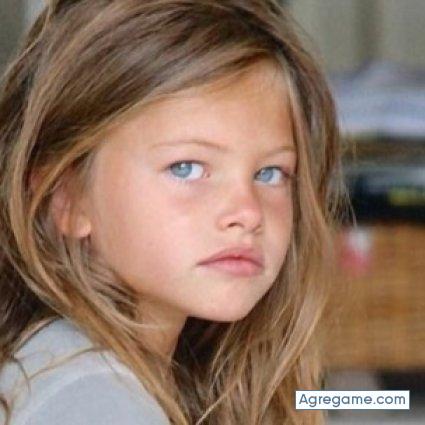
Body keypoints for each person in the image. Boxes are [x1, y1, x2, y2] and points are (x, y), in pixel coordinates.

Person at [0, 1, 349, 424]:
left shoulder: (127, 371)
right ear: (67, 197)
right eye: (186, 168)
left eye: (270, 173)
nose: (247, 212)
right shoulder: (95, 401)